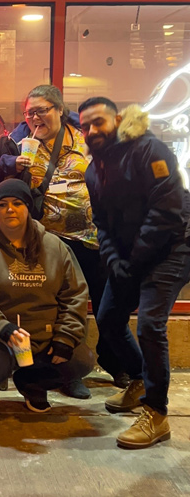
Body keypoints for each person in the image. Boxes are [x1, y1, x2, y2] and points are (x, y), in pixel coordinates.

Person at [0, 84, 127, 397]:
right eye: (29, 112)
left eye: (42, 110)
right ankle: (67, 373)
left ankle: (116, 362)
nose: (35, 117)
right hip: (46, 241)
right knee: (58, 308)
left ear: (59, 110)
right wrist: (10, 163)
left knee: (104, 306)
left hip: (93, 239)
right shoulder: (17, 140)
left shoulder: (86, 137)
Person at [79, 97, 190, 449]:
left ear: (118, 119)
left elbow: (167, 213)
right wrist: (115, 261)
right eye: (85, 126)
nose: (92, 130)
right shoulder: (93, 170)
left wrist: (135, 261)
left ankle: (156, 413)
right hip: (130, 255)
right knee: (108, 317)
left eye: (99, 122)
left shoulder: (149, 150)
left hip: (174, 247)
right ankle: (141, 379)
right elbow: (101, 223)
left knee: (150, 325)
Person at [0, 179, 94, 418]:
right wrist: (3, 328)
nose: (10, 209)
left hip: (44, 334)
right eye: (3, 205)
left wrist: (66, 336)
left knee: (81, 361)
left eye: (17, 203)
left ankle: (33, 383)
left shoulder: (56, 248)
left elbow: (75, 295)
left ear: (28, 208)